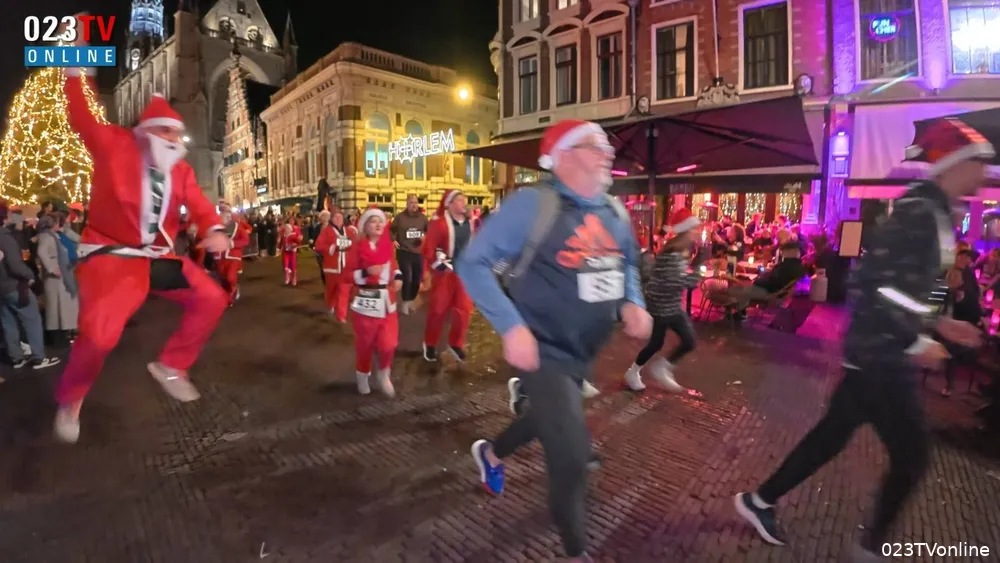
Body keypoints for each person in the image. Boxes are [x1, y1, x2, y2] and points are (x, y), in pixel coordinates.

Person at [734, 117, 991, 559]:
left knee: (832, 437)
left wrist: (937, 322)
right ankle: (870, 548)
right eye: (978, 164)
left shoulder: (933, 211)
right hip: (882, 357)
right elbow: (875, 283)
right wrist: (922, 336)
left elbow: (907, 287)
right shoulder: (919, 213)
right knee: (912, 457)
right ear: (955, 164)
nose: (983, 175)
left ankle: (760, 501)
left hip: (876, 352)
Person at [457, 119, 652, 562]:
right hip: (542, 348)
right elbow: (473, 263)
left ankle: (491, 453)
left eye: (607, 145)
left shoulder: (615, 212)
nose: (607, 152)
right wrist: (510, 326)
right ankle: (576, 550)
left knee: (549, 419)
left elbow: (628, 264)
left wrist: (632, 301)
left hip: (585, 350)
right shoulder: (532, 204)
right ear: (562, 156)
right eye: (594, 145)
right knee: (572, 455)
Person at [54, 61, 231, 444]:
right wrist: (76, 70)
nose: (174, 141)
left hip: (156, 258)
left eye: (178, 134)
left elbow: (199, 205)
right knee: (99, 337)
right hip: (112, 255)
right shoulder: (115, 144)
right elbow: (81, 114)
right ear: (147, 131)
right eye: (167, 132)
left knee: (212, 298)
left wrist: (215, 229)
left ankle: (171, 365)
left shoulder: (180, 171)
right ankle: (71, 399)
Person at [624, 208, 704, 393]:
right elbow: (679, 283)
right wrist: (699, 270)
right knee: (677, 341)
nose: (697, 233)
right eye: (694, 229)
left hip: (668, 304)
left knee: (671, 342)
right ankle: (647, 370)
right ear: (685, 231)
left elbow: (675, 279)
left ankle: (643, 371)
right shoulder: (673, 254)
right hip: (662, 306)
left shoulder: (678, 251)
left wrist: (696, 265)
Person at [347, 207, 401, 397]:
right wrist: (366, 272)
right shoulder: (357, 247)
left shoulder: (388, 246)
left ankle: (384, 374)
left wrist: (398, 277)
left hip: (387, 302)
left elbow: (394, 266)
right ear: (365, 226)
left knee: (389, 344)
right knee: (365, 345)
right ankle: (362, 376)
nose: (378, 224)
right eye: (373, 221)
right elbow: (347, 275)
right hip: (365, 301)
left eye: (380, 221)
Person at [421, 189, 475, 362]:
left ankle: (456, 344)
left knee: (464, 311)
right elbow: (429, 248)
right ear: (449, 204)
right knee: (438, 310)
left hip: (464, 274)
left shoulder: (472, 222)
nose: (463, 202)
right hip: (444, 274)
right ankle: (430, 343)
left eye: (464, 199)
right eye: (459, 200)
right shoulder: (439, 224)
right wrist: (435, 267)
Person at [35, 213, 79, 344]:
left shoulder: (52, 236)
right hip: (55, 278)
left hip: (61, 275)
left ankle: (63, 333)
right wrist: (52, 268)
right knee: (56, 308)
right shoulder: (48, 237)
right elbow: (42, 252)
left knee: (61, 307)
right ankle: (59, 337)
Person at [315, 209, 357, 322]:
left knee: (344, 290)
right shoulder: (327, 231)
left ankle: (341, 314)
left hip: (346, 267)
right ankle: (330, 305)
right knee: (332, 290)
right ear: (332, 220)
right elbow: (318, 245)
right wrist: (331, 247)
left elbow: (355, 245)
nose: (338, 219)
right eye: (335, 217)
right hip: (332, 267)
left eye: (340, 217)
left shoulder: (349, 231)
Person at [390, 194, 428, 315]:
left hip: (418, 252)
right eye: (411, 203)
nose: (414, 205)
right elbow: (391, 230)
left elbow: (429, 231)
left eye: (416, 202)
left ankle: (411, 300)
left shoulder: (423, 218)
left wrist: (424, 237)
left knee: (416, 279)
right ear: (407, 204)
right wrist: (393, 240)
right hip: (404, 251)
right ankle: (405, 302)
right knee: (407, 277)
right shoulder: (400, 217)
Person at [213, 204, 250, 303]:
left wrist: (233, 243)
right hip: (220, 256)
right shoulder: (215, 227)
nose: (227, 217)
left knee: (230, 277)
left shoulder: (237, 227)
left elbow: (246, 240)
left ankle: (231, 292)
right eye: (224, 215)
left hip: (233, 255)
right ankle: (229, 292)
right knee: (223, 278)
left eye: (228, 215)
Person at [279, 219, 302, 286]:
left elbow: (298, 242)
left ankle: (294, 278)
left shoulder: (293, 235)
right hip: (285, 252)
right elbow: (281, 243)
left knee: (293, 266)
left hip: (292, 252)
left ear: (290, 229)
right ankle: (287, 277)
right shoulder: (284, 236)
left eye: (288, 229)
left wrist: (295, 245)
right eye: (286, 228)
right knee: (286, 266)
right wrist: (280, 248)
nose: (286, 230)